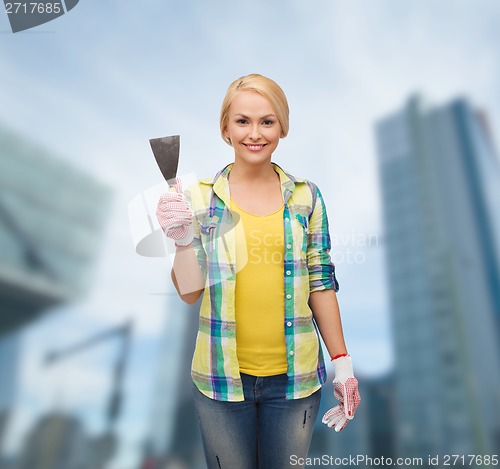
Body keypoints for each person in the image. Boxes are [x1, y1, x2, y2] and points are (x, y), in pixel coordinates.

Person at [156, 74, 360, 469]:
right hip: (219, 380)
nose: (255, 133)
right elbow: (189, 293)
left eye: (267, 121)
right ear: (225, 128)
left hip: (296, 382)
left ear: (282, 126)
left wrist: (343, 364)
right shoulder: (198, 197)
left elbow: (321, 282)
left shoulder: (306, 197)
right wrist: (182, 241)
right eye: (242, 121)